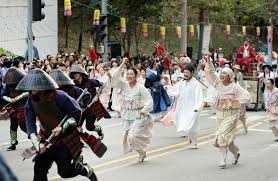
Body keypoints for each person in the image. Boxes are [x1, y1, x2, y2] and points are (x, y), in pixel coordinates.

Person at [16, 68, 97, 181]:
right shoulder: (30, 100)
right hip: (46, 138)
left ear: (43, 85)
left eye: (35, 86)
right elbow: (30, 122)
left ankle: (85, 170)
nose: (32, 89)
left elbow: (76, 113)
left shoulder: (60, 96)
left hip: (64, 139)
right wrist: (36, 142)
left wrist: (62, 128)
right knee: (39, 169)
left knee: (65, 172)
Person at [205, 59, 250, 169]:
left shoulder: (235, 87)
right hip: (220, 114)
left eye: (225, 73)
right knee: (226, 140)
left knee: (222, 136)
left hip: (232, 114)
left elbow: (246, 97)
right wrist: (209, 62)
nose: (222, 75)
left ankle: (223, 160)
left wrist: (233, 102)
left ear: (230, 76)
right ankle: (236, 153)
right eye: (222, 73)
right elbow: (211, 73)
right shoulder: (218, 84)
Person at [111, 58, 153, 162]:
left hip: (138, 115)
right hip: (126, 114)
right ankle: (141, 152)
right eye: (127, 74)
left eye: (131, 74)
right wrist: (122, 64)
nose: (129, 76)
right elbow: (114, 78)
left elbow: (149, 100)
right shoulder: (123, 85)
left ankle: (141, 151)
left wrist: (144, 110)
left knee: (133, 136)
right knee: (128, 136)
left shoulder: (140, 88)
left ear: (136, 76)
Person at [70, 65, 111, 138]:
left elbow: (102, 85)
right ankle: (81, 140)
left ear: (81, 73)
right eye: (73, 74)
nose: (75, 75)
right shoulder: (73, 85)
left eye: (76, 73)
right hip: (81, 109)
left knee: (89, 127)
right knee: (77, 125)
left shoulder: (90, 82)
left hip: (91, 107)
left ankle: (99, 130)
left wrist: (97, 95)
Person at [173, 64, 203, 148]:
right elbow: (176, 92)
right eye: (184, 72)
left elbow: (199, 96)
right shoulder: (182, 82)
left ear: (192, 73)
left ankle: (194, 142)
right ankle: (190, 138)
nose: (185, 74)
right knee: (185, 124)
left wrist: (197, 107)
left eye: (187, 72)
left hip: (192, 108)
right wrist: (168, 89)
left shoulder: (196, 84)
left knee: (193, 124)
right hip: (183, 107)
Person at [1, 67, 28, 151]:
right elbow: (3, 95)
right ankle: (13, 143)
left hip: (23, 105)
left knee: (23, 124)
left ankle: (35, 137)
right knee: (13, 125)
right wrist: (10, 99)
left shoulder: (23, 83)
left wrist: (19, 97)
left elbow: (28, 92)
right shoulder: (8, 85)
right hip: (13, 106)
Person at [233, 64, 248, 134]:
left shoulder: (239, 75)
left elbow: (241, 84)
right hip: (235, 102)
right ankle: (235, 130)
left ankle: (245, 127)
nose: (235, 69)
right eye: (234, 68)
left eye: (236, 68)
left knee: (241, 117)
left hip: (240, 101)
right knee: (235, 117)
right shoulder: (233, 74)